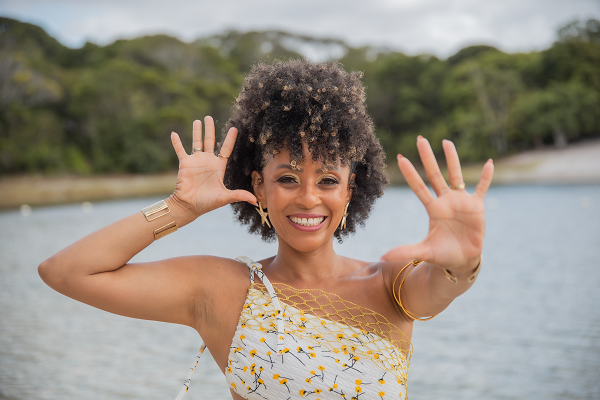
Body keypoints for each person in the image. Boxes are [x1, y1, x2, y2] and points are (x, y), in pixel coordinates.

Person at [39, 60, 494, 400]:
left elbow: (440, 286)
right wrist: (179, 209)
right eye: (288, 178)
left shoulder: (389, 283)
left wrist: (463, 263)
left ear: (350, 190)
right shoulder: (221, 290)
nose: (309, 198)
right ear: (258, 185)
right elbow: (65, 272)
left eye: (328, 180)